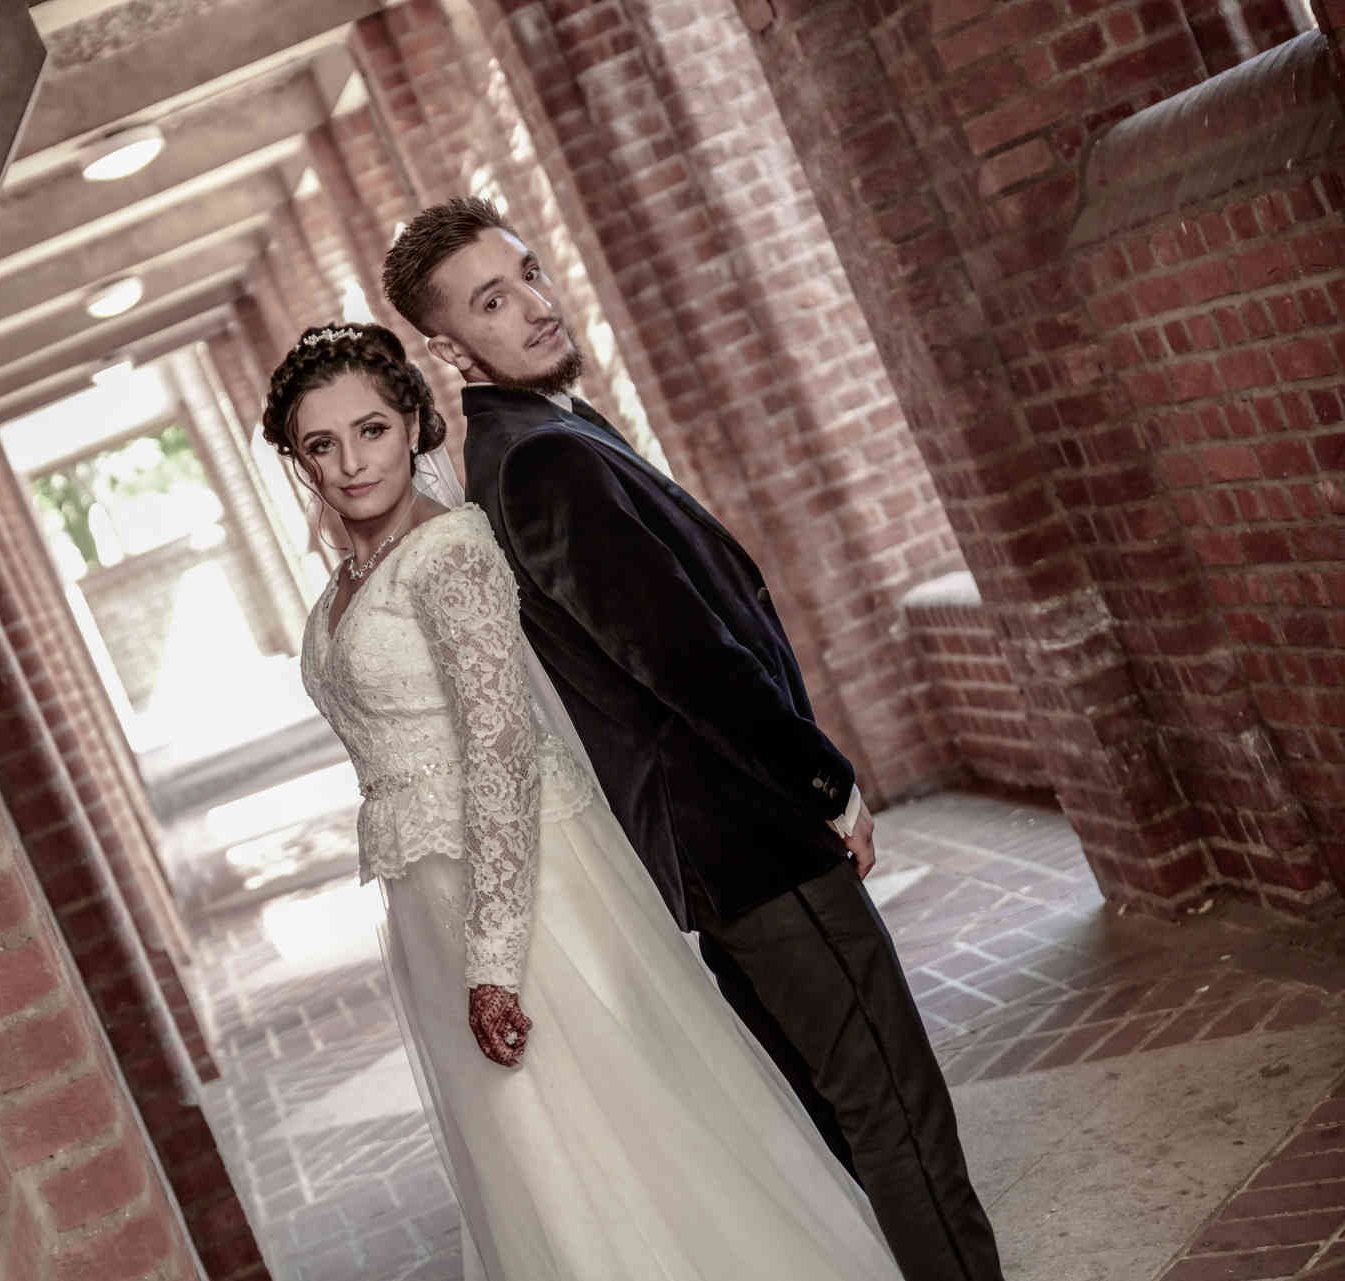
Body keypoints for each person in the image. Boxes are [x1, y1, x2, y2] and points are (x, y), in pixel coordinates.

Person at [379, 196, 1004, 1281]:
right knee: (896, 1114)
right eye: (491, 301)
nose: (533, 305)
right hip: (748, 836)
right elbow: (683, 659)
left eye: (528, 273)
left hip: (717, 853)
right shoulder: (540, 461)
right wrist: (826, 783)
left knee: (847, 1115)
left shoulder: (544, 435)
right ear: (448, 348)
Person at [264, 320, 905, 1279]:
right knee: (533, 1159)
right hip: (430, 893)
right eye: (322, 444)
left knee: (609, 1129)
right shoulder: (346, 585)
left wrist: (492, 962)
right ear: (298, 459)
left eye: (372, 431)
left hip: (528, 894)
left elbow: (499, 754)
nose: (351, 463)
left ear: (414, 426)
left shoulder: (450, 554)